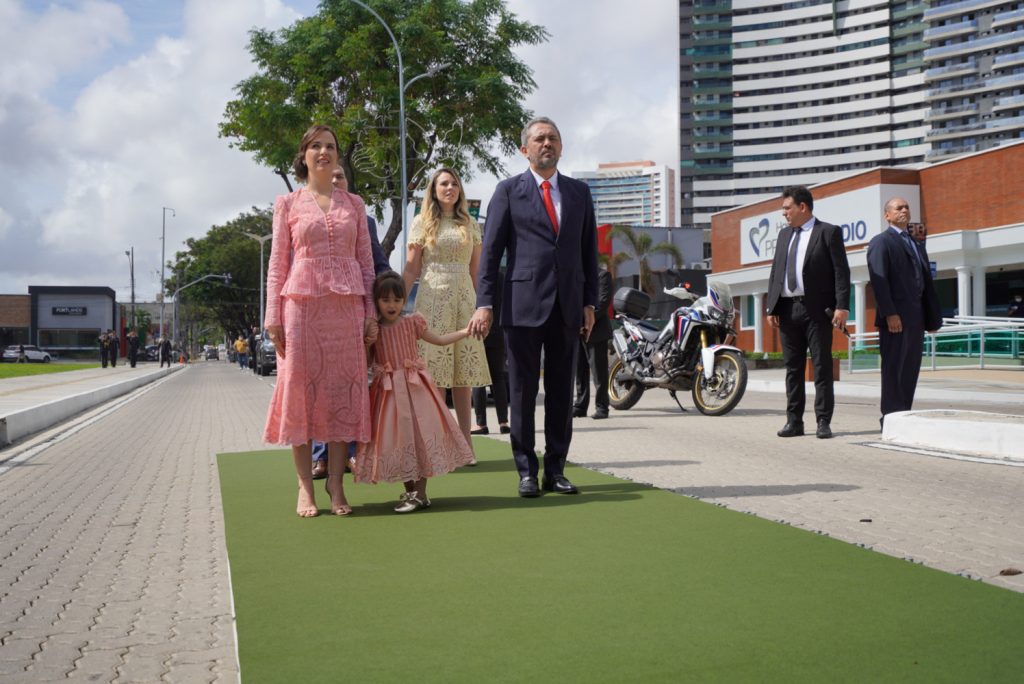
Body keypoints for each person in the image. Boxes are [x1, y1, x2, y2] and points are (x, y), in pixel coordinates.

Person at [470, 116, 599, 497]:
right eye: (540, 139)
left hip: (568, 306)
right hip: (522, 305)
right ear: (524, 149)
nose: (547, 144)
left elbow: (588, 252)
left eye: (553, 139)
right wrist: (485, 303)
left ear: (561, 147)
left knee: (562, 391)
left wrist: (591, 301)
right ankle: (526, 470)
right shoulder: (508, 191)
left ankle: (556, 470)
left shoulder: (579, 193)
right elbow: (491, 254)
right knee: (523, 391)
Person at [263, 124, 378, 518]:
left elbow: (366, 264)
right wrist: (272, 317)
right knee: (300, 392)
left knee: (340, 395)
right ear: (304, 155)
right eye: (316, 146)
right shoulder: (288, 204)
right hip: (300, 308)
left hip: (346, 309)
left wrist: (370, 315)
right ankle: (303, 488)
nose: (324, 152)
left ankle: (335, 483)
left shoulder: (355, 204)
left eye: (330, 147)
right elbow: (278, 263)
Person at [353, 272, 475, 512]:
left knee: (420, 437)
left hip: (415, 390)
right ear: (376, 301)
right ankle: (413, 492)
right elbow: (367, 362)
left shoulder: (412, 323)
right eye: (386, 300)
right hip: (388, 394)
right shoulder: (375, 330)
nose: (392, 305)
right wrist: (367, 342)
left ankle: (419, 493)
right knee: (398, 441)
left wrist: (465, 331)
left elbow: (439, 340)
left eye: (397, 300)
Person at [310, 165, 394, 480]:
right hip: (318, 313)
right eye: (329, 177)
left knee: (353, 384)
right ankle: (321, 456)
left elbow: (376, 261)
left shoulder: (364, 219)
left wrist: (389, 292)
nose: (335, 180)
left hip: (355, 310)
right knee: (323, 385)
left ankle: (355, 454)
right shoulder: (307, 215)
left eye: (340, 176)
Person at [403, 167, 491, 465]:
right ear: (434, 189)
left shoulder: (471, 225)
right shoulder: (420, 223)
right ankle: (438, 446)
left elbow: (477, 271)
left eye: (454, 183)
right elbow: (412, 268)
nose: (450, 187)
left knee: (463, 376)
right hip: (431, 297)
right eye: (444, 183)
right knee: (436, 375)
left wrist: (485, 307)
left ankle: (466, 446)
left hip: (465, 299)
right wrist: (397, 306)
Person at [766, 185, 850, 440]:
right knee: (793, 369)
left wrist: (842, 306)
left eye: (787, 208)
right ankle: (794, 421)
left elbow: (841, 272)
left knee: (822, 366)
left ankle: (823, 421)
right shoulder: (784, 236)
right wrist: (771, 306)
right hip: (788, 309)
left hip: (816, 310)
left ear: (802, 207)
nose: (784, 214)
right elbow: (776, 272)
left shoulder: (828, 232)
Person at [867, 198, 942, 428]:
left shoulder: (916, 243)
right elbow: (879, 282)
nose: (904, 210)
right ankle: (890, 417)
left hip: (916, 317)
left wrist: (931, 318)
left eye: (906, 207)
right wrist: (890, 313)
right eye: (898, 208)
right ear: (887, 215)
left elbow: (926, 282)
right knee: (894, 368)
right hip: (895, 318)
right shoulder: (881, 242)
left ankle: (904, 415)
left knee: (910, 368)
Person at [574, 263, 614, 420]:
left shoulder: (602, 276)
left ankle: (602, 407)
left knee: (599, 373)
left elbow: (603, 303)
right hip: (577, 332)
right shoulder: (575, 277)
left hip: (597, 332)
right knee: (579, 371)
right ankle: (580, 406)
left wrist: (585, 321)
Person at [471, 273, 509, 436]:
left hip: (477, 330)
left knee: (478, 378)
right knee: (498, 377)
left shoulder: (474, 275)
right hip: (498, 332)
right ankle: (504, 422)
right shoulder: (500, 277)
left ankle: (481, 424)